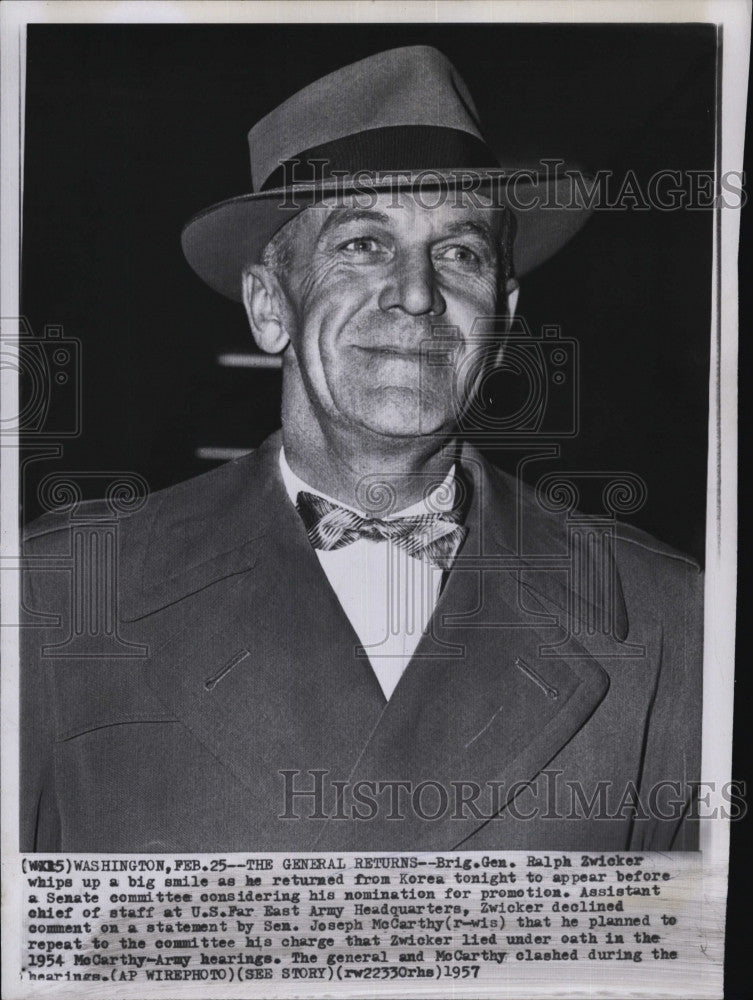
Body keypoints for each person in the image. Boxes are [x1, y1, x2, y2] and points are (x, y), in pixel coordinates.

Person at [21, 46, 702, 853]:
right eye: (361, 244)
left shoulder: (665, 617)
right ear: (269, 304)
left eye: (460, 252)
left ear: (503, 313)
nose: (417, 293)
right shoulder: (60, 597)